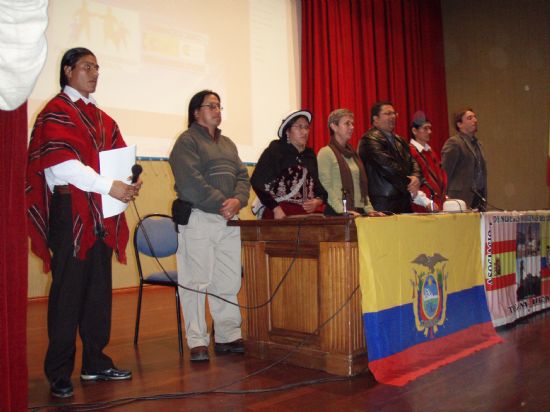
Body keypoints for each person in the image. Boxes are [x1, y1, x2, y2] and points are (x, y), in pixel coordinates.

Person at [26, 47, 140, 399]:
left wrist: (130, 182)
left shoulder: (104, 118)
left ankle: (95, 362)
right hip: (71, 214)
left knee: (98, 293)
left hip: (101, 214)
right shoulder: (55, 112)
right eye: (87, 66)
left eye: (97, 67)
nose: (94, 73)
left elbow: (119, 155)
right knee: (67, 294)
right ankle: (59, 371)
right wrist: (111, 185)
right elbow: (61, 166)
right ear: (68, 70)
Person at [168, 90, 250, 362]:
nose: (217, 111)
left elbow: (242, 175)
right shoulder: (186, 141)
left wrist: (238, 200)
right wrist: (222, 203)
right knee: (195, 282)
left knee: (227, 280)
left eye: (219, 106)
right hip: (199, 218)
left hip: (228, 220)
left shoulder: (228, 143)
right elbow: (190, 182)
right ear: (195, 112)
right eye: (211, 106)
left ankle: (227, 335)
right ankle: (197, 340)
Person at [250, 110, 327, 219]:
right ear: (287, 131)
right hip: (279, 211)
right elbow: (257, 182)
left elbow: (318, 188)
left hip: (305, 214)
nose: (304, 132)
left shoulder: (309, 155)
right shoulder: (276, 149)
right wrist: (276, 209)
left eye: (306, 127)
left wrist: (317, 201)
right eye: (299, 127)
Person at [357, 101, 422, 213]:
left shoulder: (399, 140)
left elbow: (413, 162)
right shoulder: (369, 139)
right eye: (387, 114)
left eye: (394, 113)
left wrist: (416, 177)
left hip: (403, 200)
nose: (393, 116)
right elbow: (388, 167)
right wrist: (410, 183)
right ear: (375, 119)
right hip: (382, 202)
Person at [317, 109, 382, 217]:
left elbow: (361, 188)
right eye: (347, 123)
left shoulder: (353, 155)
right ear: (334, 126)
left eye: (352, 124)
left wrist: (370, 210)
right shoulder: (325, 153)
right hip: (337, 213)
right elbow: (326, 187)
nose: (352, 127)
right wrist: (342, 211)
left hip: (357, 213)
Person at [441, 107, 487, 210]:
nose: (475, 120)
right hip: (459, 199)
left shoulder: (478, 144)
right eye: (470, 118)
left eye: (475, 117)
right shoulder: (454, 143)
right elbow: (445, 173)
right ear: (460, 124)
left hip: (478, 197)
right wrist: (445, 197)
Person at [409, 112, 447, 211]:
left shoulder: (430, 152)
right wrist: (427, 202)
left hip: (437, 204)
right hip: (422, 206)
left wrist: (445, 197)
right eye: (425, 128)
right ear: (414, 130)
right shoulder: (410, 151)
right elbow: (413, 184)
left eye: (430, 128)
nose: (429, 132)